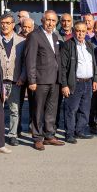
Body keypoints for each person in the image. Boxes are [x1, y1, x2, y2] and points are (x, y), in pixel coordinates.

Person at [25, 10, 64, 150]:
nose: (50, 23)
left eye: (53, 21)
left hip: (54, 80)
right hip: (40, 80)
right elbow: (30, 60)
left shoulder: (54, 36)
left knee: (51, 110)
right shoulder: (34, 36)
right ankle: (37, 137)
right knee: (38, 110)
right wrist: (32, 80)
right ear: (42, 20)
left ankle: (49, 135)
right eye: (48, 20)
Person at [60, 21, 97, 143]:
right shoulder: (68, 45)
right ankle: (69, 134)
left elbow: (93, 64)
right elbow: (62, 67)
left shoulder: (89, 45)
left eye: (83, 31)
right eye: (78, 31)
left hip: (88, 82)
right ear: (73, 31)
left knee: (85, 109)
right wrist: (64, 85)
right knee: (71, 109)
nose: (80, 33)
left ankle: (79, 130)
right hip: (74, 83)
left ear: (86, 32)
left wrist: (95, 79)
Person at [0, 13, 25, 146]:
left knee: (14, 109)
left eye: (8, 23)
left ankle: (12, 135)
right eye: (2, 23)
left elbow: (25, 62)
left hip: (15, 81)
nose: (5, 25)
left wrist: (22, 76)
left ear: (13, 25)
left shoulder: (21, 41)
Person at [17, 16, 35, 136]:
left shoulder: (35, 38)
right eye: (24, 26)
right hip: (18, 76)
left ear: (33, 27)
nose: (26, 29)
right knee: (18, 104)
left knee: (34, 104)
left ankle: (32, 126)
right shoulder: (16, 38)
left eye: (29, 27)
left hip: (32, 76)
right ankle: (17, 128)